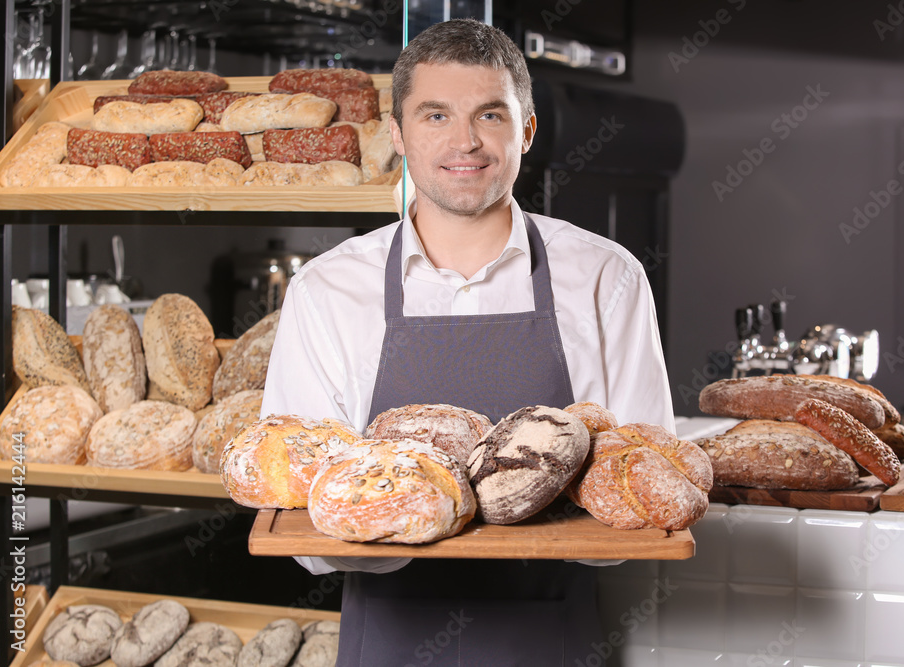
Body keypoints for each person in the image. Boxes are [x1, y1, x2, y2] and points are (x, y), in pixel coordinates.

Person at [261, 18, 675, 666]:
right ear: (396, 134)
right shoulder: (327, 291)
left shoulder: (606, 278)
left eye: (490, 114)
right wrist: (410, 515)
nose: (465, 141)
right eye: (434, 116)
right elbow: (303, 521)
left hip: (549, 646)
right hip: (388, 646)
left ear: (527, 130)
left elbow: (640, 502)